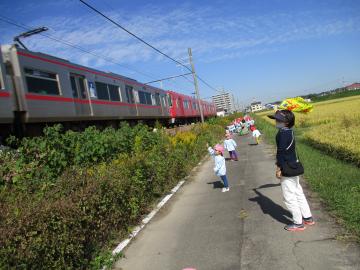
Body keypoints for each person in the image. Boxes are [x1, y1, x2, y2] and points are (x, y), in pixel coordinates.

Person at [268, 110, 315, 231]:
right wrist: (280, 113)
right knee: (298, 192)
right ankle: (308, 218)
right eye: (276, 119)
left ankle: (298, 223)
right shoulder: (289, 131)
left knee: (289, 197)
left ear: (286, 122)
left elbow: (281, 152)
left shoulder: (283, 134)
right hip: (294, 166)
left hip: (287, 168)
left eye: (278, 120)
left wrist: (279, 168)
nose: (276, 121)